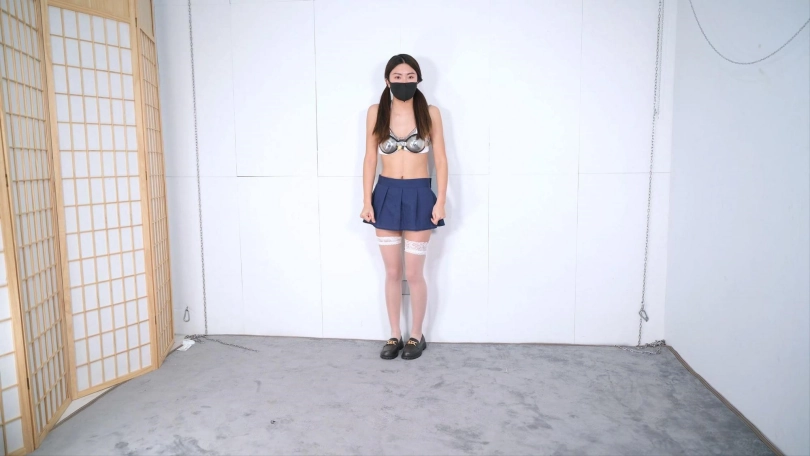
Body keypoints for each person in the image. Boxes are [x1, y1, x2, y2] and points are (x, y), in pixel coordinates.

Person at [360, 54, 447, 360]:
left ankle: (416, 335)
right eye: (397, 77)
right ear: (387, 80)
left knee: (414, 272)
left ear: (418, 79)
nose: (404, 81)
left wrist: (440, 200)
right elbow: (370, 158)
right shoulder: (376, 112)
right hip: (385, 194)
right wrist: (366, 200)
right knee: (393, 271)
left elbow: (440, 160)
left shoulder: (430, 113)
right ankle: (394, 334)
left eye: (410, 76)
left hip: (419, 194)